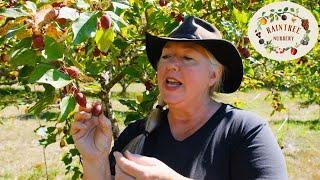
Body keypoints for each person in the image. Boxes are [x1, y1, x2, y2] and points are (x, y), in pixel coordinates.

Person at [71, 16, 288, 180]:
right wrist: (95, 158)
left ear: (213, 75)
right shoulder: (137, 134)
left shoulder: (244, 132)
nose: (171, 64)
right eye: (166, 56)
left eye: (187, 57)